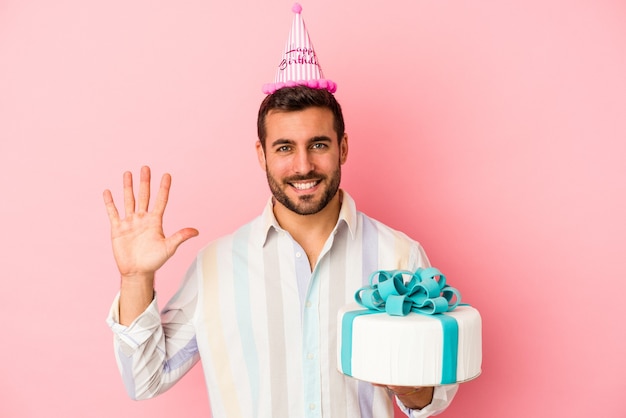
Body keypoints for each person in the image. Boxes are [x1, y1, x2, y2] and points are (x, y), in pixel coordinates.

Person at [104, 86, 459, 417]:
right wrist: (136, 278)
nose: (303, 166)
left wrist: (407, 384)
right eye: (285, 147)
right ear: (262, 154)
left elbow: (432, 395)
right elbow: (144, 380)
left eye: (318, 145)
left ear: (343, 148)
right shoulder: (216, 265)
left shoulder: (399, 255)